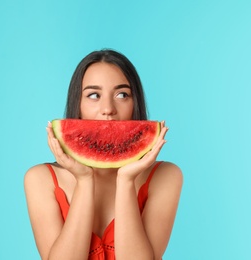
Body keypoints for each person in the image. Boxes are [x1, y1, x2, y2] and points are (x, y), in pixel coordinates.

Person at [24, 49, 183, 260]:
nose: (108, 109)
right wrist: (84, 179)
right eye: (93, 95)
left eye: (122, 94)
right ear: (77, 104)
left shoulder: (166, 176)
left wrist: (126, 180)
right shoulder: (41, 179)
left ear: (135, 102)